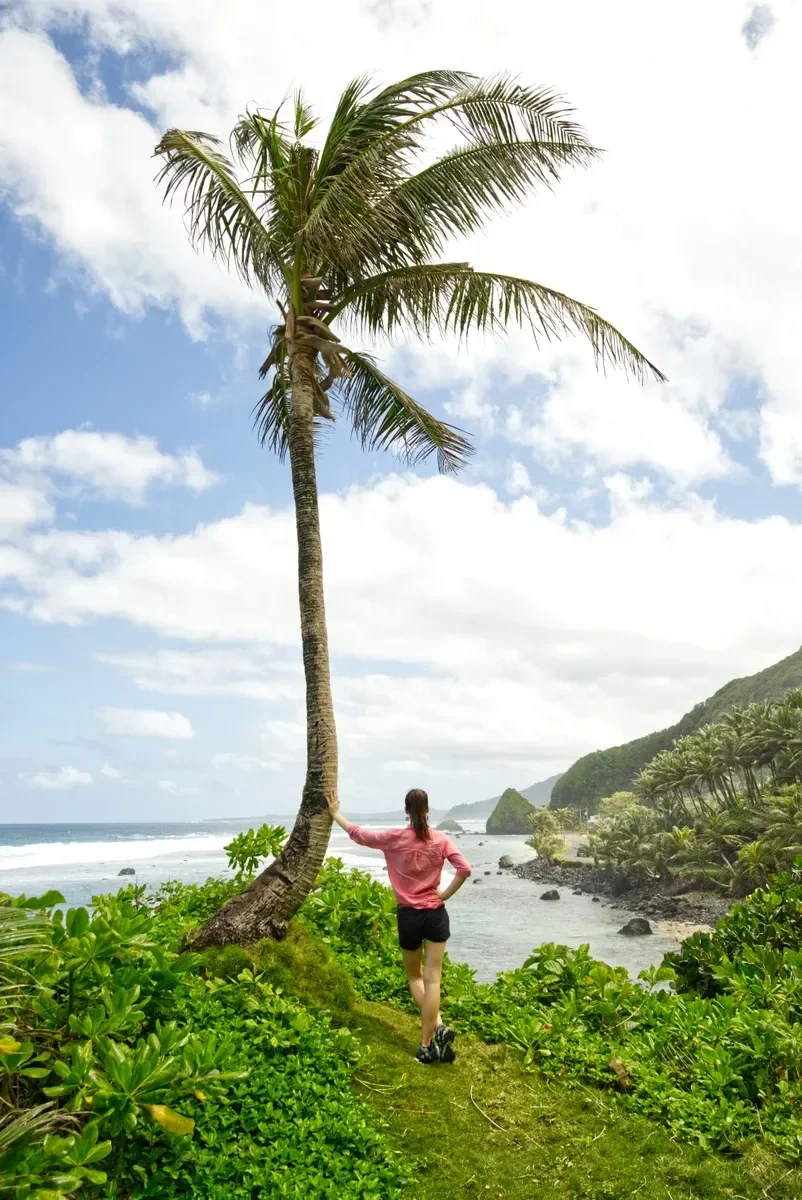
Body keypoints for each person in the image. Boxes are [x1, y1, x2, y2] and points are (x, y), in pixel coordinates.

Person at [327, 787, 472, 1065]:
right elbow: (464, 869)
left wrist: (336, 814)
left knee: (416, 978)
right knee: (433, 980)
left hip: (409, 917)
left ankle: (426, 1046)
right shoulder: (440, 840)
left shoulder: (393, 839)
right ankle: (436, 1030)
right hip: (436, 914)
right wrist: (443, 895)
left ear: (406, 811)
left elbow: (358, 834)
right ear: (428, 811)